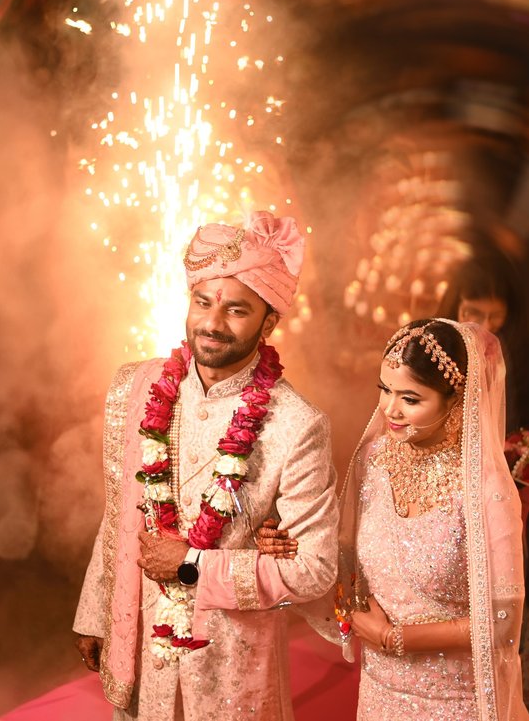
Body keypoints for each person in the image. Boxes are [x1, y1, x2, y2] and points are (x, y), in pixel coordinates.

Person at [73, 210, 339, 721]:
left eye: (237, 310)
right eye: (203, 302)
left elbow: (315, 570)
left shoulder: (297, 424)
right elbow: (121, 513)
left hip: (234, 665)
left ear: (269, 323)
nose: (213, 323)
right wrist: (96, 614)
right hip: (144, 648)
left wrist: (192, 565)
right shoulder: (141, 386)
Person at [258, 318, 529, 720]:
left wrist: (393, 637)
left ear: (456, 400)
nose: (390, 408)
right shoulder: (373, 461)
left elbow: (502, 622)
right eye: (385, 389)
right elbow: (345, 566)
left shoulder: (483, 486)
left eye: (410, 399)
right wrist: (291, 545)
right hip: (379, 696)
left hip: (457, 704)